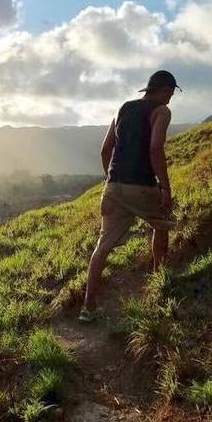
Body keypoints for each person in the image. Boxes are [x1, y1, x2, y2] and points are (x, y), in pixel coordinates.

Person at [81, 70, 178, 322]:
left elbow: (105, 150)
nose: (170, 98)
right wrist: (165, 188)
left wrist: (111, 178)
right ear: (164, 90)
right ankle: (160, 283)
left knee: (103, 245)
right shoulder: (162, 111)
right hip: (142, 185)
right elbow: (155, 148)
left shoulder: (123, 108)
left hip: (114, 187)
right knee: (162, 224)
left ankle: (88, 306)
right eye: (170, 93)